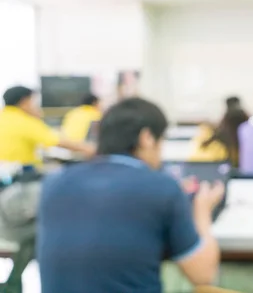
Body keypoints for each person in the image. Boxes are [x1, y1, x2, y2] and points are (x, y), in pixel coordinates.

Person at [37, 98, 225, 293]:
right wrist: (202, 209)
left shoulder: (54, 183)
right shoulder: (161, 186)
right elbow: (203, 276)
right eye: (161, 142)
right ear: (147, 138)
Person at [0, 86, 95, 165]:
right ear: (24, 102)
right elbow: (57, 141)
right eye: (33, 102)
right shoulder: (24, 121)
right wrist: (91, 149)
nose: (36, 106)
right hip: (19, 175)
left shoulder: (4, 116)